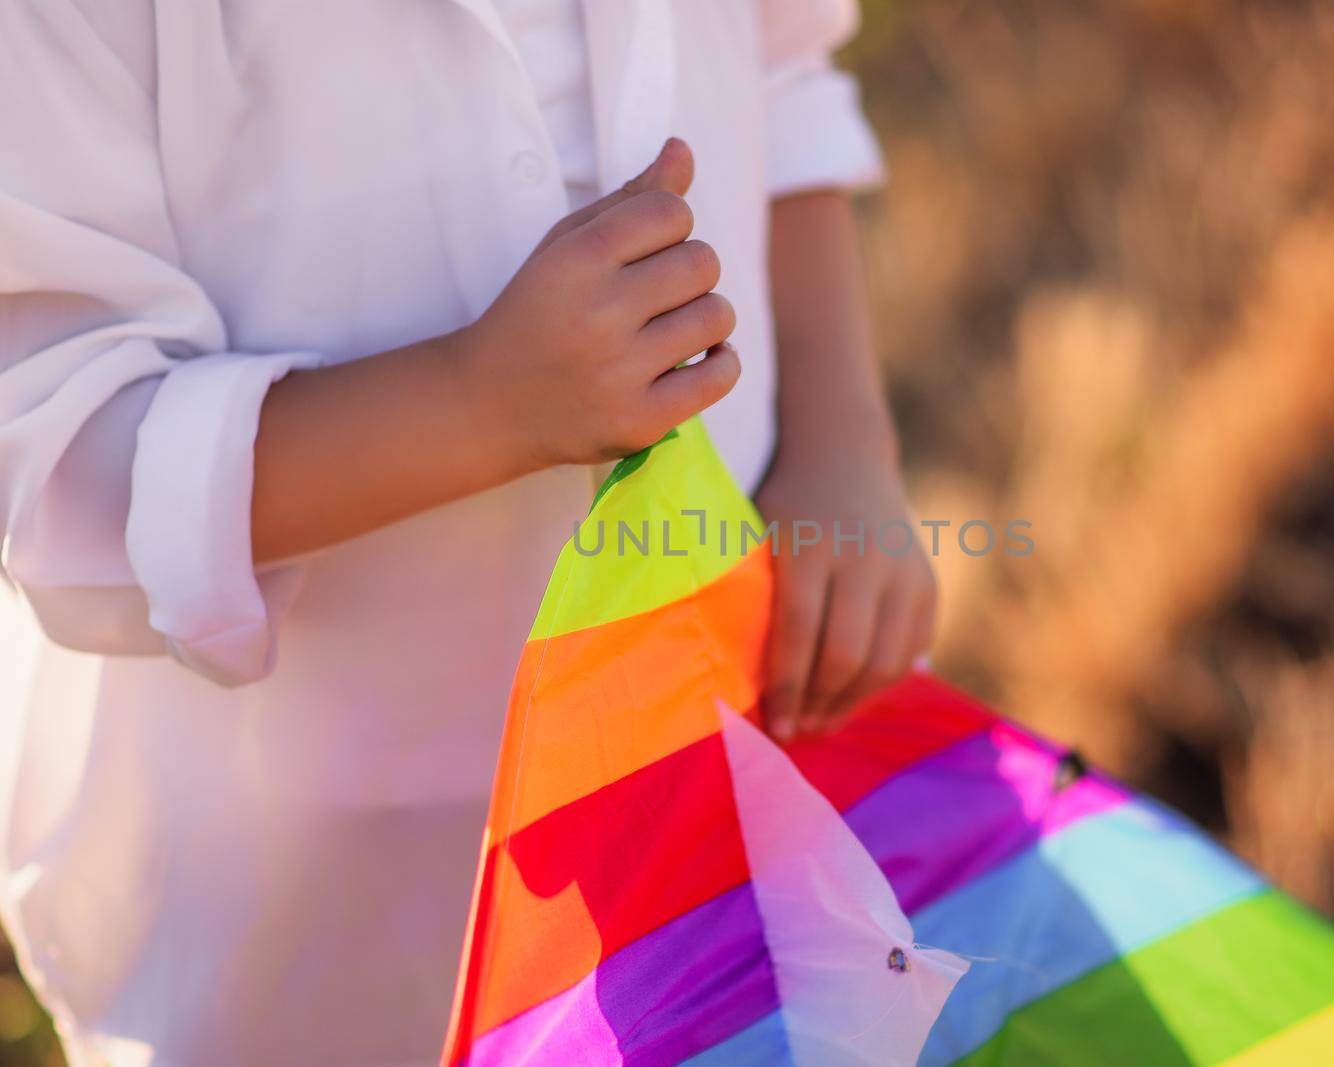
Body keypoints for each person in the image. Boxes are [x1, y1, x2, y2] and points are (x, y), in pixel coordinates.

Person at [0, 1, 936, 1063]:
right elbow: (60, 458)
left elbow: (780, 73)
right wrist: (479, 404)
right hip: (306, 917)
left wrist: (843, 449)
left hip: (729, 769)